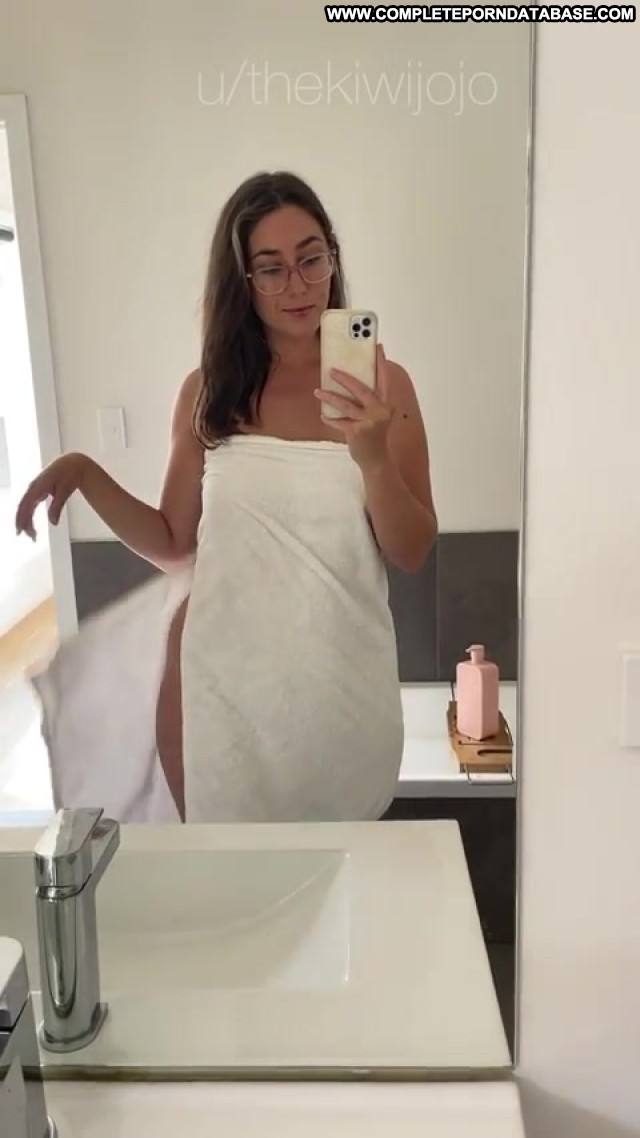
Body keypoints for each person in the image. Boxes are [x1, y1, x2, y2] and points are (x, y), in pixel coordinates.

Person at [15, 170, 438, 824]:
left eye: (311, 258)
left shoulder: (387, 387)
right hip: (226, 694)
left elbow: (411, 550)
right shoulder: (208, 391)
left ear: (332, 257)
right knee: (232, 872)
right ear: (242, 282)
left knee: (340, 871)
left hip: (343, 691)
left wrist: (374, 458)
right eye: (270, 269)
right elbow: (173, 542)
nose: (296, 284)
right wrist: (86, 474)